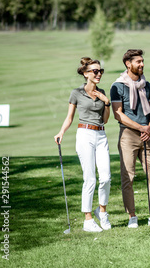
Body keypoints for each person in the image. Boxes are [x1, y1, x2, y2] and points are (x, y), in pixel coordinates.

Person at [110, 49, 150, 228]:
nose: (142, 64)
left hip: (147, 135)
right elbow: (118, 114)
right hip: (128, 136)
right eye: (138, 62)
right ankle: (132, 217)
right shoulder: (117, 86)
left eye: (143, 61)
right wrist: (141, 127)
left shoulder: (147, 85)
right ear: (128, 64)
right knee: (128, 177)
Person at [54, 57, 112, 233]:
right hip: (85, 134)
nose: (98, 73)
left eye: (100, 71)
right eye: (95, 71)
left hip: (101, 134)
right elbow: (70, 117)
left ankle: (101, 211)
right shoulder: (76, 93)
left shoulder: (102, 92)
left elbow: (105, 120)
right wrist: (61, 132)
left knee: (106, 177)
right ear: (86, 74)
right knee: (90, 178)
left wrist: (106, 101)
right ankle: (87, 219)